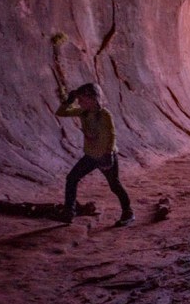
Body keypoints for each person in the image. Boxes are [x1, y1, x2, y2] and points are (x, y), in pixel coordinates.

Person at [55, 83, 133, 226]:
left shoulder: (104, 115)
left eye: (82, 100)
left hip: (104, 155)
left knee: (114, 185)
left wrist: (108, 155)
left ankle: (128, 212)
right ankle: (69, 212)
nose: (79, 103)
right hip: (91, 156)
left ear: (92, 99)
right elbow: (61, 112)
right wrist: (68, 101)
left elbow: (111, 135)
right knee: (72, 178)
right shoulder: (83, 112)